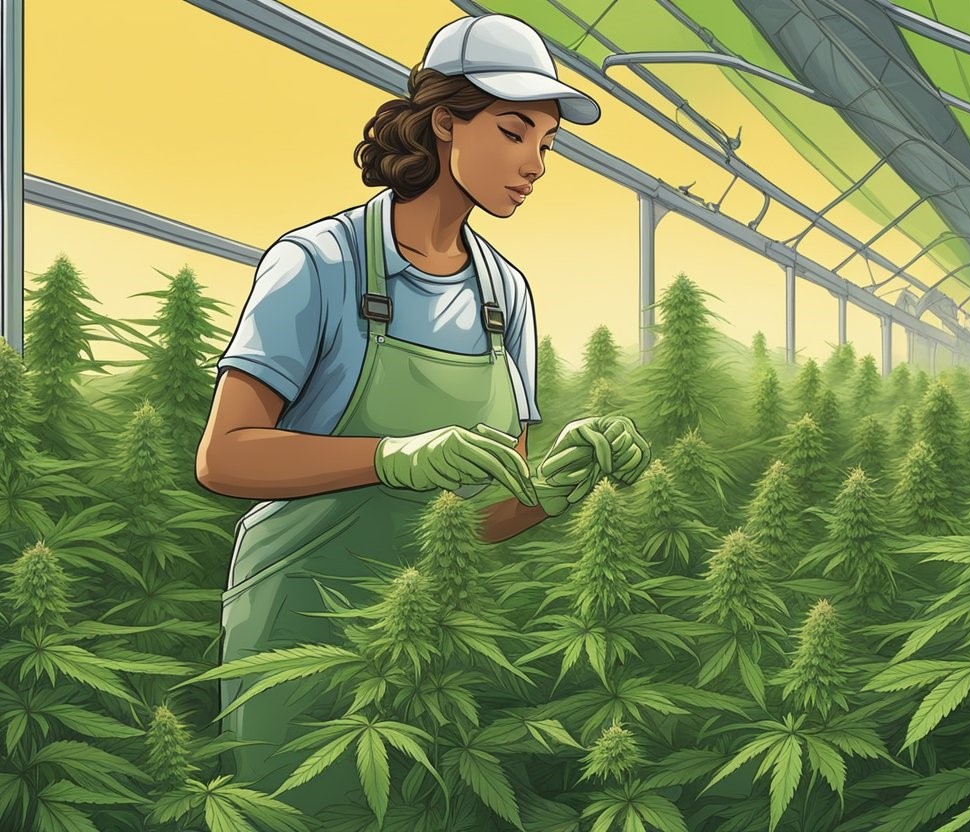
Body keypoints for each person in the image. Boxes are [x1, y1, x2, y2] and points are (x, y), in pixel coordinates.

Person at [194, 13, 651, 816]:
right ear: (444, 122)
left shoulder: (505, 296)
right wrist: (392, 456)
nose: (535, 165)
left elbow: (474, 521)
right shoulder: (320, 265)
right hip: (299, 629)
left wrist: (552, 488)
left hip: (434, 630)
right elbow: (224, 457)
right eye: (514, 133)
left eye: (548, 145)